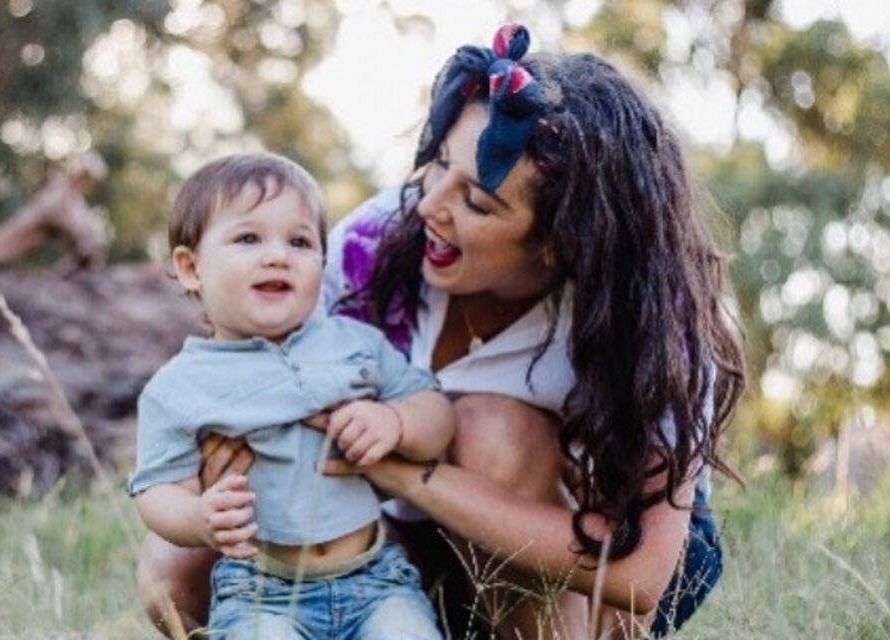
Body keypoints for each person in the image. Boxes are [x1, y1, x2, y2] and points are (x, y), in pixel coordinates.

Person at [136, 24, 746, 640]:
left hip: (589, 567)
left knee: (492, 426)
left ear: (562, 244)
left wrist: (406, 475)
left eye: (477, 203)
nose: (430, 205)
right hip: (398, 541)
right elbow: (271, 367)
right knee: (172, 566)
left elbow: (641, 579)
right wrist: (232, 454)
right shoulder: (375, 245)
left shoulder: (653, 328)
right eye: (439, 165)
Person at [129, 152, 456, 640]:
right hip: (260, 587)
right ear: (190, 267)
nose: (278, 255)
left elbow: (435, 411)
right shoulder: (179, 386)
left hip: (376, 578)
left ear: (322, 263)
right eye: (248, 238)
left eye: (300, 241)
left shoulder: (355, 343)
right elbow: (157, 490)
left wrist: (397, 422)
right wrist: (198, 518)